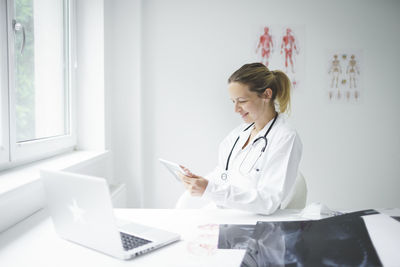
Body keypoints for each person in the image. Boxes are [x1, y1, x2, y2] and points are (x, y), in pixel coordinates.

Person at [178, 63, 303, 215]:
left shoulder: (284, 137)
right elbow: (223, 174)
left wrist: (210, 189)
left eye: (242, 101)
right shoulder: (237, 135)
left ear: (266, 95)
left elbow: (267, 201)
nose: (236, 109)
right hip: (227, 215)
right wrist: (198, 181)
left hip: (254, 225)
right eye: (233, 102)